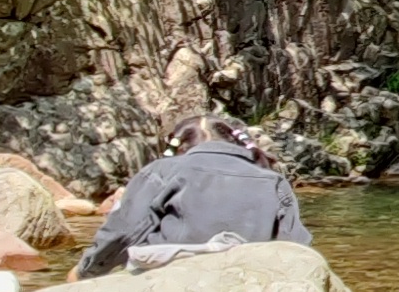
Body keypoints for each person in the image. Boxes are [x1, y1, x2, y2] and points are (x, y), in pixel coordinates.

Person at [76, 114, 316, 278]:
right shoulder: (274, 181)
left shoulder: (163, 170)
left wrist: (86, 271)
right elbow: (296, 246)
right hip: (246, 279)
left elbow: (124, 232)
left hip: (170, 279)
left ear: (179, 147)